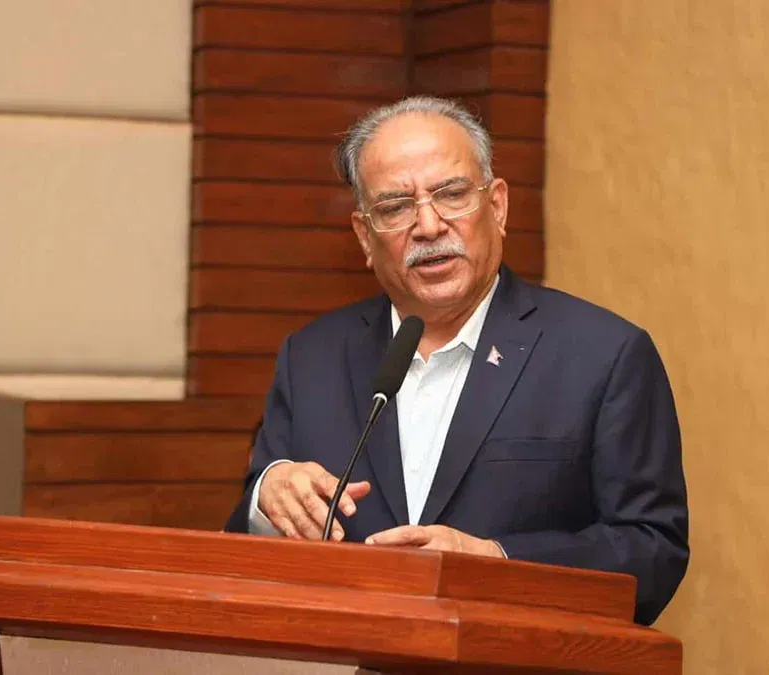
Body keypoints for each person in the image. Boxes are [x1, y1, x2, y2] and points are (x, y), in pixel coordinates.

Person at [224, 96, 688, 625]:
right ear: (364, 236)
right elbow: (241, 551)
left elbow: (652, 553)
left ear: (498, 207)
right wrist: (267, 497)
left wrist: (495, 561)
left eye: (451, 195)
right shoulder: (312, 356)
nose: (428, 225)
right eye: (395, 207)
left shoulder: (604, 355)